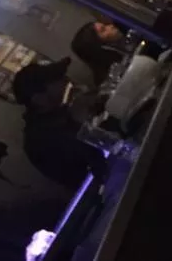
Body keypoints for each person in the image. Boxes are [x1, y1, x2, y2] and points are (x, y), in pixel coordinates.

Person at [10, 59, 104, 190]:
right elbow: (90, 174)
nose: (65, 80)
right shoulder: (41, 140)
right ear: (39, 99)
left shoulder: (62, 113)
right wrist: (83, 121)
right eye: (56, 80)